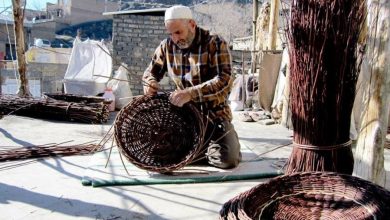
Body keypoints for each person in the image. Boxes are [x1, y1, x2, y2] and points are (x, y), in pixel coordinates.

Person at [143, 5, 241, 169]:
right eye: (171, 33)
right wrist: (149, 82)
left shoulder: (214, 43)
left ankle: (211, 146)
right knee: (158, 154)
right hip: (183, 117)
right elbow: (150, 72)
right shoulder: (167, 46)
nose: (175, 38)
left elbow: (224, 80)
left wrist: (192, 93)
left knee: (226, 159)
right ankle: (198, 150)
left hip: (213, 115)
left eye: (178, 32)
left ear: (192, 25)